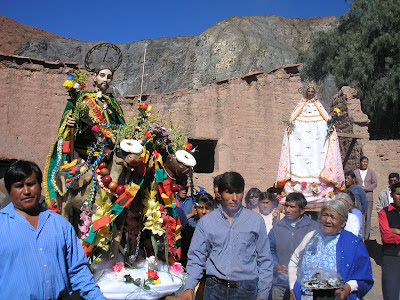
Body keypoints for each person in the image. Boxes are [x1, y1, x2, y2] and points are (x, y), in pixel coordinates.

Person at [0, 160, 106, 299]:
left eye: (31, 184)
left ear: (40, 187)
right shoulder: (2, 225)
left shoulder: (60, 225)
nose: (26, 191)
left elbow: (79, 272)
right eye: (19, 186)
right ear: (9, 191)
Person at [177, 172, 273, 300]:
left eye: (238, 192)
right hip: (215, 289)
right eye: (229, 192)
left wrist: (262, 294)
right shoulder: (207, 222)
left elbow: (265, 259)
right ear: (220, 194)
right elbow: (196, 257)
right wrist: (189, 288)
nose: (234, 198)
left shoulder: (255, 221)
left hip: (246, 289)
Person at [44, 63, 125, 206]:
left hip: (107, 157)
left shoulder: (113, 104)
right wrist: (71, 124)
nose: (106, 79)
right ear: (94, 77)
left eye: (109, 77)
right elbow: (68, 128)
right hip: (83, 156)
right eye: (102, 75)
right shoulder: (82, 99)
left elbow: (121, 128)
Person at [288, 200, 373, 300]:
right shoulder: (311, 237)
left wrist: (348, 288)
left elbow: (363, 277)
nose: (327, 220)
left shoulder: (353, 244)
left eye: (333, 217)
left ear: (343, 223)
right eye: (325, 215)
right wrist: (292, 286)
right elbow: (294, 260)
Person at [276, 84, 345, 207]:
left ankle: (318, 184)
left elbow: (326, 123)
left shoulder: (319, 108)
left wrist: (328, 128)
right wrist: (292, 129)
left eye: (313, 91)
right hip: (301, 140)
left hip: (316, 141)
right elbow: (292, 122)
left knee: (317, 157)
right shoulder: (299, 108)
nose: (311, 93)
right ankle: (299, 181)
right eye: (309, 91)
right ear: (305, 92)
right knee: (299, 156)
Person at [269, 192, 319, 300]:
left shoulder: (313, 228)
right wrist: (275, 265)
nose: (287, 210)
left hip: (303, 283)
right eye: (286, 206)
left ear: (302, 210)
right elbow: (270, 249)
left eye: (292, 207)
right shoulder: (277, 227)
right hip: (280, 282)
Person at [378, 182, 400, 300]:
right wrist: (392, 233)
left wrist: (396, 231)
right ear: (392, 195)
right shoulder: (384, 213)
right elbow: (386, 237)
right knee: (391, 294)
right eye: (398, 194)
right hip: (391, 257)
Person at [353, 156, 377, 240]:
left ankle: (367, 236)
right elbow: (353, 182)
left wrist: (367, 188)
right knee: (360, 216)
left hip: (368, 197)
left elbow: (375, 183)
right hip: (359, 198)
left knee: (368, 217)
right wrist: (359, 187)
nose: (364, 163)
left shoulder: (371, 172)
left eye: (366, 162)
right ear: (360, 162)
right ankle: (361, 234)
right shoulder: (356, 172)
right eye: (363, 162)